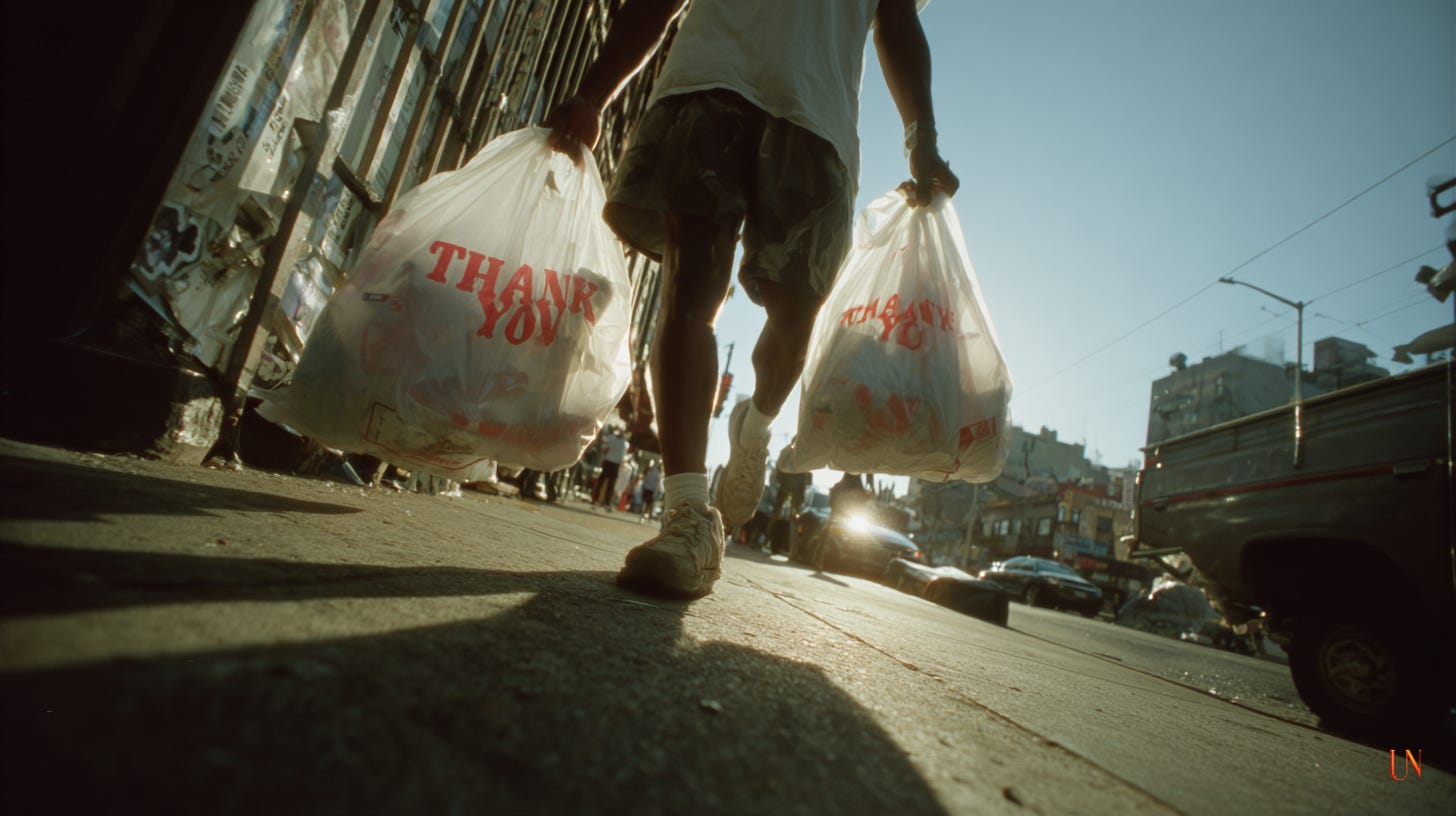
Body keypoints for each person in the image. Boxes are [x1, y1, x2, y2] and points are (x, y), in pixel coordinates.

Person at [546, 0, 958, 598]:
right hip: (712, 81)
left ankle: (757, 424)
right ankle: (688, 516)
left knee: (796, 320)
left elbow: (895, 17)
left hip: (819, 118)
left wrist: (921, 136)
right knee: (691, 294)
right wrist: (594, 93)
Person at [594, 428, 630, 510]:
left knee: (601, 481)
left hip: (608, 462)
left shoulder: (611, 438)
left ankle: (596, 499)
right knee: (611, 484)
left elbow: (606, 450)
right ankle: (606, 502)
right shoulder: (625, 444)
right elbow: (624, 455)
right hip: (615, 464)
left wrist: (603, 458)